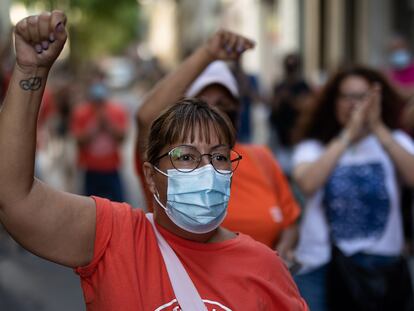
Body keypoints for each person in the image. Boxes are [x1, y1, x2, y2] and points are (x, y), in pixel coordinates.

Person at [0, 11, 308, 310]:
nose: (206, 169)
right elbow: (15, 199)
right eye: (186, 156)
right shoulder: (115, 237)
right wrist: (30, 71)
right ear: (150, 175)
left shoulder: (266, 268)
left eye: (218, 156)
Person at [135, 30, 301, 259]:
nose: (214, 112)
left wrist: (281, 254)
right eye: (203, 103)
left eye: (223, 103)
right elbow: (146, 117)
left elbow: (289, 221)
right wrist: (208, 54)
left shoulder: (260, 157)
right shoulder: (167, 162)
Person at [291, 66, 414, 310]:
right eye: (346, 97)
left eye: (361, 97)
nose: (353, 104)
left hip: (381, 265)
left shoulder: (394, 141)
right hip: (321, 265)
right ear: (333, 102)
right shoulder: (313, 147)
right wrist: (348, 134)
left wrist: (378, 128)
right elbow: (307, 183)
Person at [70, 79, 128, 202]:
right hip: (90, 169)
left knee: (119, 205)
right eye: (95, 102)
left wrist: (108, 125)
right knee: (90, 206)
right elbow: (79, 142)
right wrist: (95, 127)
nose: (98, 106)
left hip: (112, 168)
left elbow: (122, 138)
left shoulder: (116, 111)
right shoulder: (81, 113)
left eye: (101, 102)